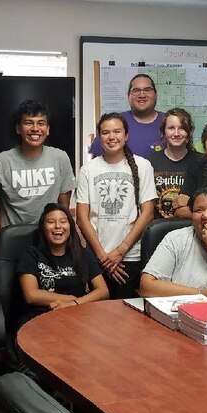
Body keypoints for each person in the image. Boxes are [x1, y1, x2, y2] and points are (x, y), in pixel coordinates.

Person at [75, 113, 157, 299]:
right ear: (99, 137)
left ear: (126, 135)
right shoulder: (88, 169)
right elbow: (82, 217)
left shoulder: (143, 166)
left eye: (117, 131)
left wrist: (120, 251)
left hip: (129, 257)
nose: (111, 137)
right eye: (105, 132)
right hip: (97, 256)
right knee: (95, 316)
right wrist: (103, 256)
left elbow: (148, 214)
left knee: (125, 315)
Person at [17, 203, 109, 326]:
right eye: (51, 222)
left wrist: (75, 303)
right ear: (43, 228)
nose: (57, 226)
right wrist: (70, 299)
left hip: (76, 315)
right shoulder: (32, 254)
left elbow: (103, 291)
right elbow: (31, 295)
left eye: (63, 221)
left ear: (70, 226)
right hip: (40, 317)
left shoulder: (82, 253)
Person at [0, 100, 75, 230]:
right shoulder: (1, 161)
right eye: (28, 123)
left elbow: (63, 207)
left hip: (49, 237)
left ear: (48, 129)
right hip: (11, 238)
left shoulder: (60, 158)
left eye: (41, 123)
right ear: (18, 128)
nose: (35, 129)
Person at [88, 73, 163, 158]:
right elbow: (96, 161)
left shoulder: (169, 122)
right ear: (128, 96)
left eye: (147, 90)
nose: (142, 95)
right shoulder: (114, 123)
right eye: (136, 91)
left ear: (156, 95)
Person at [148, 107, 199, 218]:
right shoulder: (149, 163)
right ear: (163, 132)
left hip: (190, 228)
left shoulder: (202, 162)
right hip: (156, 230)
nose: (176, 133)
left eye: (182, 128)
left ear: (189, 132)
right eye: (171, 128)